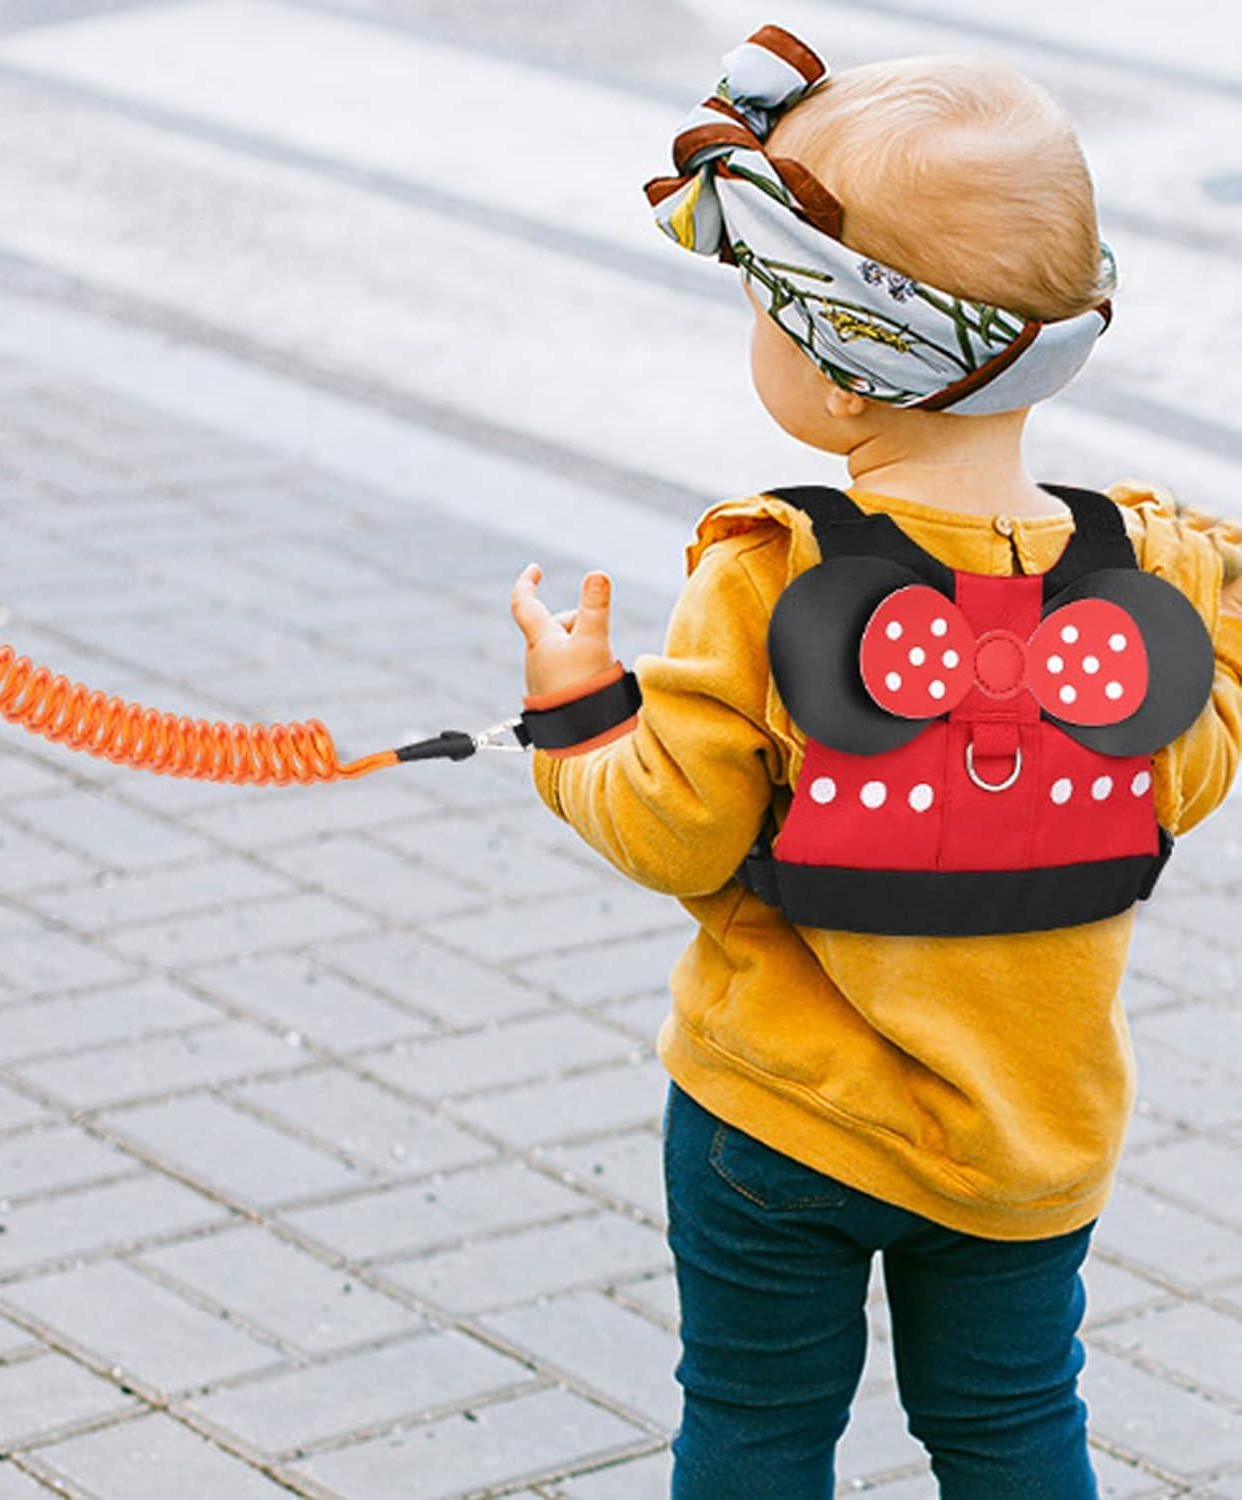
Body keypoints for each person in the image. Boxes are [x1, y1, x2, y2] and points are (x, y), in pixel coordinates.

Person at [508, 23, 1242, 1500]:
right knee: (1019, 1430)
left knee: (757, 1430)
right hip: (1027, 1135)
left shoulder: (772, 570)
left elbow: (682, 832)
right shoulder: (1148, 572)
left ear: (845, 378)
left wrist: (578, 710)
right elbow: (1184, 774)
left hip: (779, 1117)